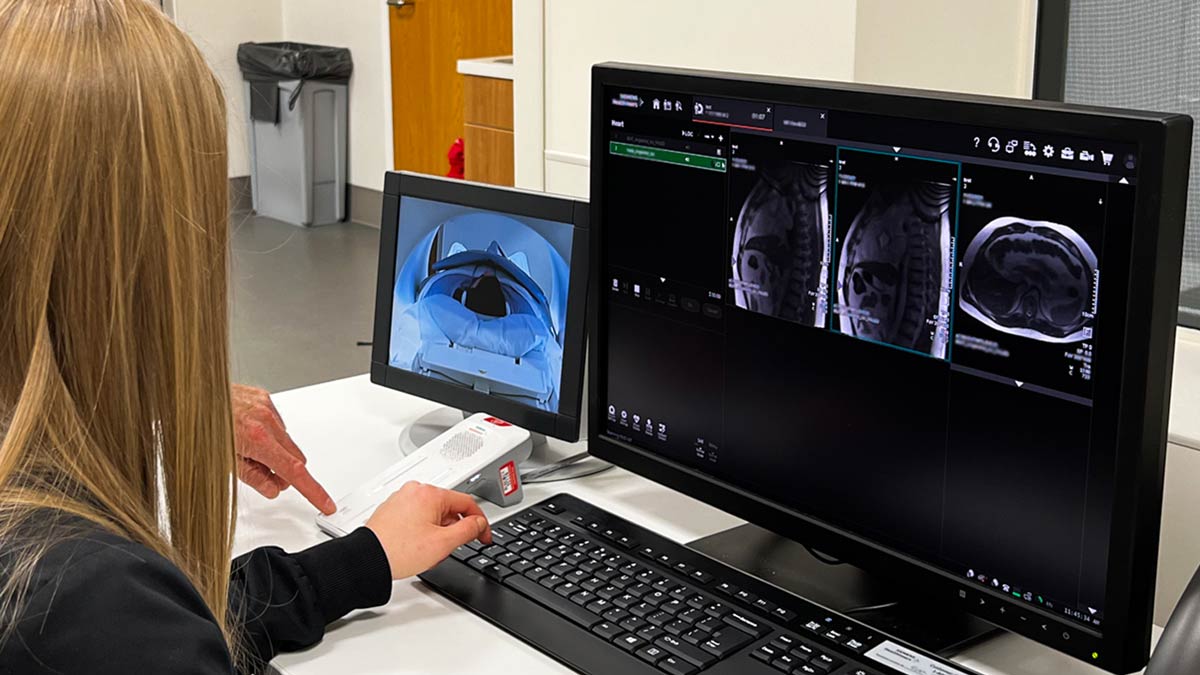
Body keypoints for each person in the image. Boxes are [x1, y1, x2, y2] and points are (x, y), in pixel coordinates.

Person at [0, 1, 492, 672]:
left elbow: (177, 617)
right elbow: (142, 628)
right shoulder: (82, 596)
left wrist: (362, 557)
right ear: (156, 252)